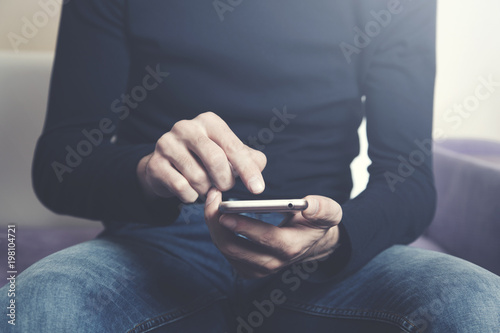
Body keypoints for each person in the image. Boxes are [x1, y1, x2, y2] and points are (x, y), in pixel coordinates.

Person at [2, 0, 499, 332]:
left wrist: (334, 239)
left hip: (323, 250)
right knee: (29, 306)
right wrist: (148, 168)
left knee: (479, 303)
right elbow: (59, 166)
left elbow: (409, 181)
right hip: (157, 244)